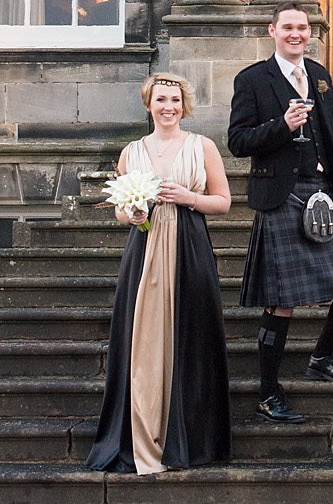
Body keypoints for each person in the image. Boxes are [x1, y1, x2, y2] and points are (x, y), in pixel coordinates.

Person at [227, 1, 333, 424]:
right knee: (282, 303)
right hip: (281, 199)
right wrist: (283, 125)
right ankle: (268, 392)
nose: (296, 34)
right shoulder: (253, 79)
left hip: (324, 194)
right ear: (271, 30)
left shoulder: (320, 77)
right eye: (288, 27)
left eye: (303, 27)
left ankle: (323, 354)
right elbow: (237, 141)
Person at [86, 73, 232, 474]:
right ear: (149, 105)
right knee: (140, 338)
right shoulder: (131, 152)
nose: (168, 107)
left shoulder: (202, 147)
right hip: (144, 249)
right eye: (161, 100)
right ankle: (138, 434)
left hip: (189, 247)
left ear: (185, 106)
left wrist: (189, 198)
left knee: (191, 334)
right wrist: (130, 214)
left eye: (175, 100)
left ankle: (189, 438)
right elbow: (118, 209)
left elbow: (223, 202)